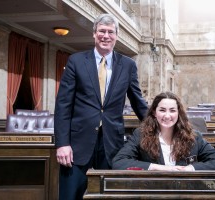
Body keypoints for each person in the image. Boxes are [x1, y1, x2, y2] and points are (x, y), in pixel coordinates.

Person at [54, 13, 148, 200]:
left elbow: (138, 102)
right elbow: (63, 105)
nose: (106, 36)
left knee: (109, 195)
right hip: (77, 145)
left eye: (110, 32)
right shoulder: (76, 61)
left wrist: (160, 127)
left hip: (111, 143)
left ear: (117, 36)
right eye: (102, 31)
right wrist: (62, 144)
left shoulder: (128, 65)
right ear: (94, 34)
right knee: (70, 195)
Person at [112, 91, 215, 171]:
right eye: (162, 110)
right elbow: (118, 162)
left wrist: (189, 169)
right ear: (154, 112)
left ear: (178, 113)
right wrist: (158, 167)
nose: (167, 116)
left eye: (172, 110)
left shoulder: (194, 137)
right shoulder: (141, 134)